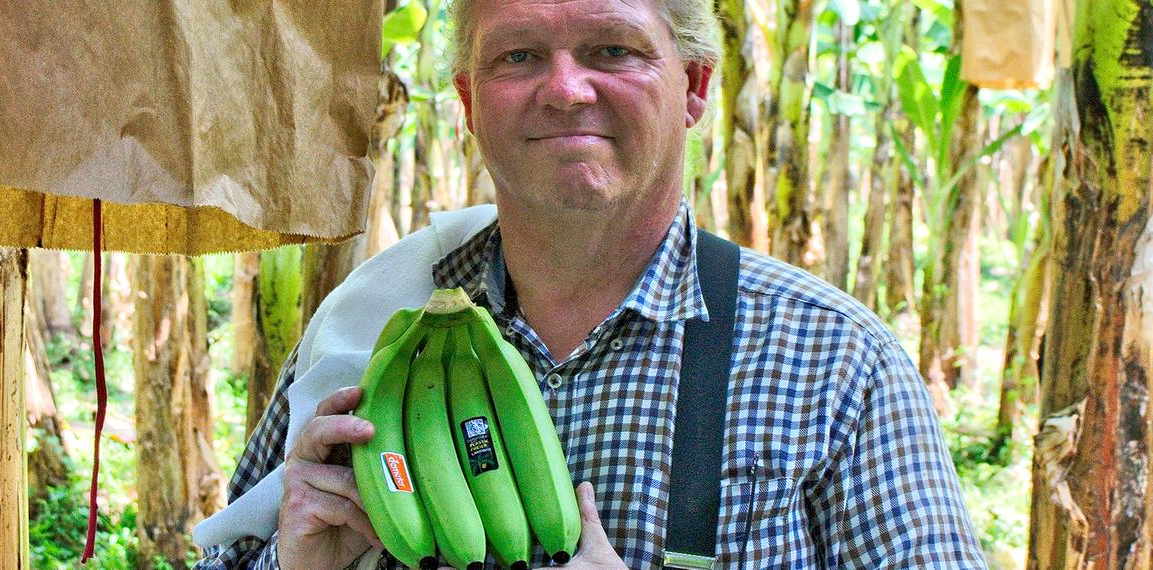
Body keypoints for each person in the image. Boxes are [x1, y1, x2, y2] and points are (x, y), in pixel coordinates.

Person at [197, 0, 985, 567]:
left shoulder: (836, 363)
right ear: (468, 102)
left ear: (695, 86)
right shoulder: (368, 329)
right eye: (518, 56)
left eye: (613, 50)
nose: (566, 90)